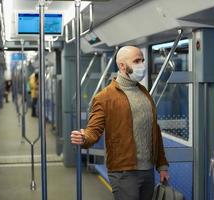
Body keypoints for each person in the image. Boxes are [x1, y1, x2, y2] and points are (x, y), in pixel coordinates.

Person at [71, 46, 169, 200]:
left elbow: (154, 131)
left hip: (148, 171)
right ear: (122, 66)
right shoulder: (104, 97)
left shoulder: (145, 93)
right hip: (123, 171)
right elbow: (94, 130)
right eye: (137, 61)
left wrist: (162, 166)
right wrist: (84, 138)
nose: (142, 65)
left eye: (142, 60)